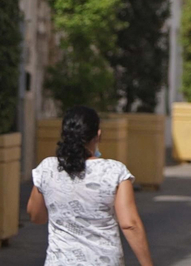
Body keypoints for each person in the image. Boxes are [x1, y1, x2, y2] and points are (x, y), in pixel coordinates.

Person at [27, 106, 155, 266]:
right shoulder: (115, 172)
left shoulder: (47, 169)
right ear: (98, 135)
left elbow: (36, 216)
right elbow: (130, 224)